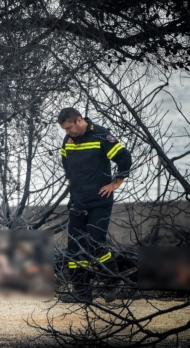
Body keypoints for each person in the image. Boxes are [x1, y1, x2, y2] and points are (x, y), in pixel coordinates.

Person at [58, 107, 132, 303]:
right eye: (64, 130)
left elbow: (124, 157)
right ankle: (82, 293)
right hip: (77, 201)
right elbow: (65, 159)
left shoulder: (101, 136)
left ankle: (113, 281)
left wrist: (116, 183)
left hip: (99, 201)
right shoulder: (68, 140)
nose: (67, 133)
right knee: (74, 249)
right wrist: (70, 178)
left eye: (69, 128)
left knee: (94, 242)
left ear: (79, 120)